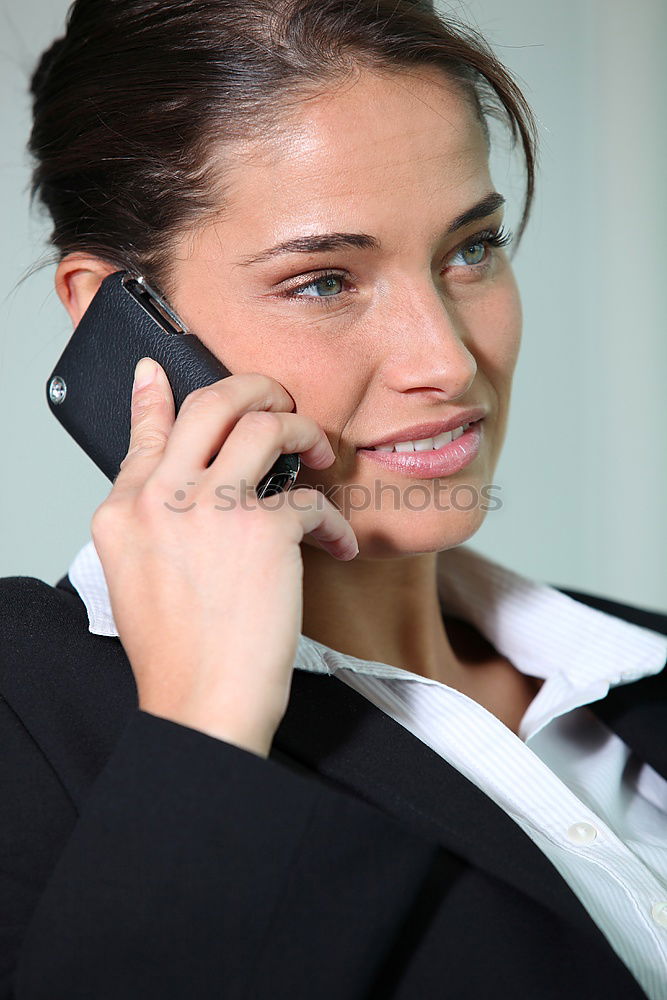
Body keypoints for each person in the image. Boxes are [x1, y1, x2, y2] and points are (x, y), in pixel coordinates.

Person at [1, 0, 665, 997]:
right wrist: (201, 725)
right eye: (324, 281)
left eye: (469, 250)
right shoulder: (30, 715)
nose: (444, 359)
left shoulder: (637, 665)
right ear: (116, 320)